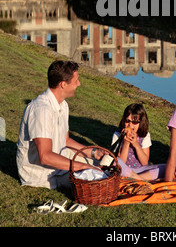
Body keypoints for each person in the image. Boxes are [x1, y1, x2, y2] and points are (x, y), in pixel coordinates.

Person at [16, 60, 106, 190]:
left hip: (60, 162)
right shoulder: (41, 110)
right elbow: (45, 156)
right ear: (63, 84)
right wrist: (82, 166)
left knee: (106, 165)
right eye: (76, 81)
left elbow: (65, 140)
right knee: (99, 179)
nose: (79, 84)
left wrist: (93, 153)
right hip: (42, 175)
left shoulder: (63, 105)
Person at [112, 103, 165, 180]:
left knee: (166, 167)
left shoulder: (145, 135)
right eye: (127, 121)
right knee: (116, 163)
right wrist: (126, 144)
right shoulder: (117, 134)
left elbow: (144, 162)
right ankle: (142, 180)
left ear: (141, 122)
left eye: (135, 122)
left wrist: (136, 144)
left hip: (141, 170)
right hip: (125, 169)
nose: (130, 125)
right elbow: (121, 162)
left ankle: (136, 178)